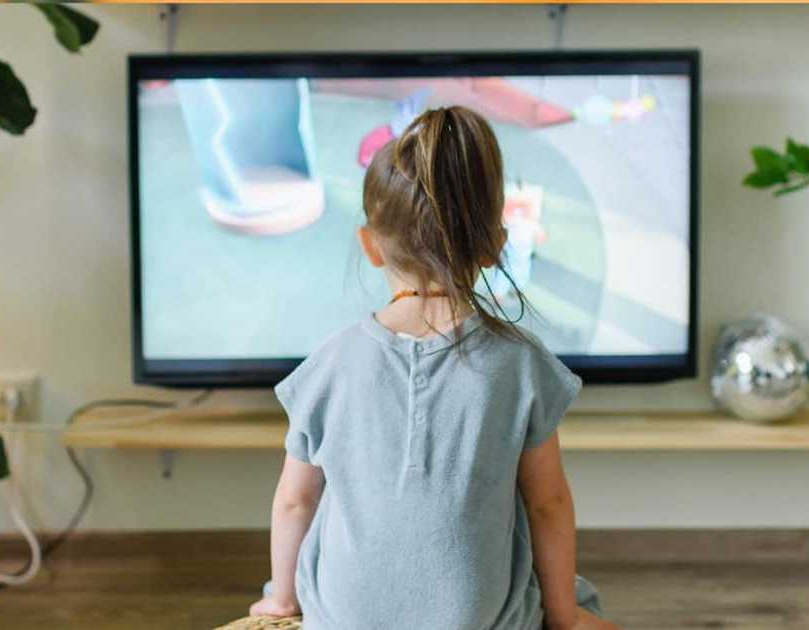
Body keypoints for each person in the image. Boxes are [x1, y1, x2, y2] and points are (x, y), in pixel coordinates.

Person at [249, 106, 618, 630]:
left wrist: (282, 601)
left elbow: (293, 502)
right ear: (495, 245)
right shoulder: (520, 363)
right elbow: (548, 504)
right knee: (579, 595)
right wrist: (564, 616)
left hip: (344, 619)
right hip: (479, 620)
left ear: (370, 245)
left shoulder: (329, 362)